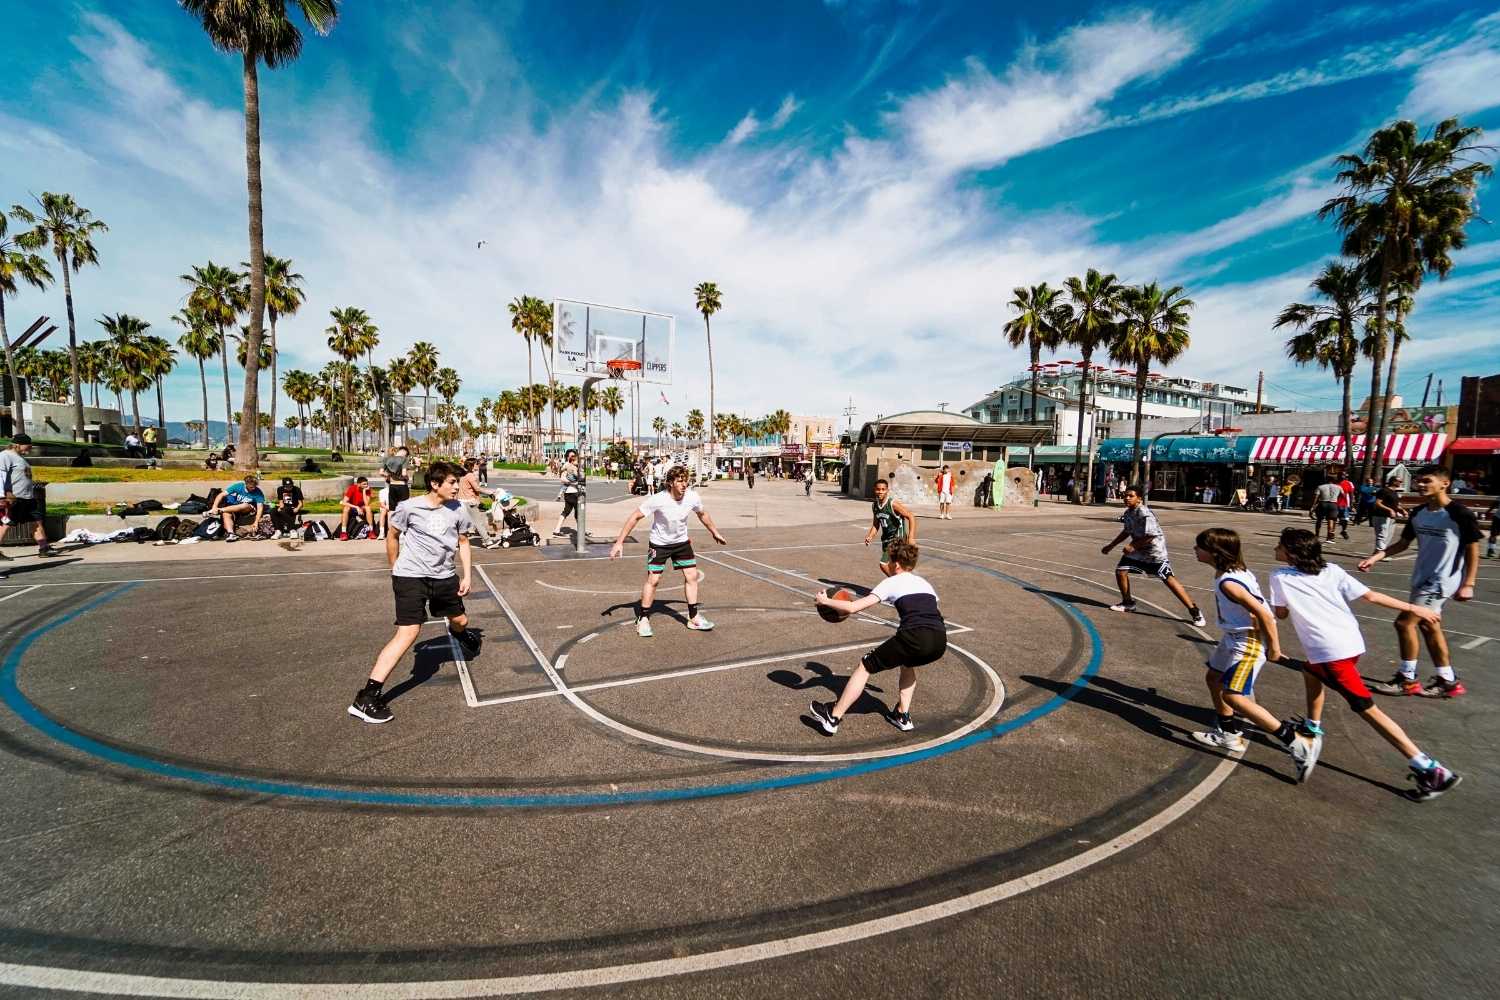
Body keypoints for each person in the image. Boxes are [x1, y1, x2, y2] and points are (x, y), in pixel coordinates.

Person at [1269, 527, 1460, 800]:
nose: (1275, 549)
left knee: (1369, 710)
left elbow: (1281, 614)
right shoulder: (1332, 570)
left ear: (1290, 553)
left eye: (1279, 545)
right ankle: (1312, 726)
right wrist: (1415, 608)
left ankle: (1430, 769)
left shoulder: (1279, 577)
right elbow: (1371, 596)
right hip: (1351, 644)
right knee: (1311, 671)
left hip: (1329, 653)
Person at [347, 461, 480, 725]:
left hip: (444, 577)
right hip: (411, 576)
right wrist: (394, 567)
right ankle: (367, 696)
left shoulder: (459, 509)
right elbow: (393, 535)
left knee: (460, 621)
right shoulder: (409, 507)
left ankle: (462, 634)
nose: (457, 487)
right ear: (435, 484)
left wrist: (467, 574)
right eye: (452, 483)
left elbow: (463, 542)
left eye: (457, 482)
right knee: (409, 631)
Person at [1187, 528, 1323, 781]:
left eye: (1199, 546)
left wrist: (1274, 648)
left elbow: (1265, 614)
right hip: (1232, 637)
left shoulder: (1229, 582)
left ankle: (1296, 742)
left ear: (1215, 553)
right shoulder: (1231, 572)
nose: (1195, 550)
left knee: (1234, 696)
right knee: (1213, 678)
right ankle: (1228, 734)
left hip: (1246, 642)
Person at [1358, 464, 1481, 699]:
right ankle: (1448, 680)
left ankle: (1407, 679)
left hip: (1441, 581)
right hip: (1422, 578)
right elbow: (1403, 543)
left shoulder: (1459, 514)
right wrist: (1376, 556)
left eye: (1427, 481)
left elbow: (1472, 548)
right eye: (1419, 481)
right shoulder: (1419, 513)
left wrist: (1469, 583)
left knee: (1404, 623)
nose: (1421, 485)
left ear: (1444, 483)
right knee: (1428, 625)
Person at [809, 539, 945, 735]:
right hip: (940, 641)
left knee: (865, 666)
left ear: (896, 564)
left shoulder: (891, 582)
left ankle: (833, 716)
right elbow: (932, 611)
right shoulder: (925, 583)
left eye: (889, 561)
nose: (888, 564)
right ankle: (902, 715)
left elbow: (854, 607)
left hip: (915, 636)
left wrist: (826, 600)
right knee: (907, 664)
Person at [609, 464, 727, 636]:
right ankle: (642, 618)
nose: (684, 484)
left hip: (681, 542)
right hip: (659, 544)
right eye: (680, 481)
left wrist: (714, 532)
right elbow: (635, 516)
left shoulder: (692, 497)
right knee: (654, 580)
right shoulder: (658, 499)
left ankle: (693, 618)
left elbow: (702, 514)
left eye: (686, 481)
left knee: (691, 576)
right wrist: (619, 542)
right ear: (670, 482)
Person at [1101, 484, 1205, 626]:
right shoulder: (1128, 513)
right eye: (1125, 495)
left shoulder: (1145, 513)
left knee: (1169, 580)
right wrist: (1111, 545)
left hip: (1154, 552)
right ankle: (1128, 603)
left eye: (1131, 496)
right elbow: (1126, 531)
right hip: (1138, 551)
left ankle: (1194, 611)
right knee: (1121, 571)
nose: (1127, 498)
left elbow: (1150, 535)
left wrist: (1132, 546)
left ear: (1139, 499)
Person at [0, 434, 56, 560]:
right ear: (17, 444)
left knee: (36, 522)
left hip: (28, 498)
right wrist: (4, 495)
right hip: (14, 498)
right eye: (28, 446)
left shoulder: (20, 457)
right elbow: (0, 475)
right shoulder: (5, 456)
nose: (30, 449)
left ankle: (44, 548)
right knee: (6, 523)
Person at [865, 478, 917, 576]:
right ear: (874, 490)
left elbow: (910, 516)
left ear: (887, 490)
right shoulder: (875, 506)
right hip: (886, 539)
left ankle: (896, 585)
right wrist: (870, 536)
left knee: (883, 564)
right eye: (878, 489)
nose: (880, 492)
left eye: (883, 489)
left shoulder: (892, 504)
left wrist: (911, 537)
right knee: (893, 565)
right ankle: (901, 584)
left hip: (897, 538)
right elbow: (876, 524)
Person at [208, 473, 266, 543]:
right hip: (233, 508)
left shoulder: (258, 492)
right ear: (246, 484)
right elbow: (221, 495)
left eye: (254, 486)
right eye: (251, 487)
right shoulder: (238, 486)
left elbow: (260, 508)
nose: (253, 488)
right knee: (226, 513)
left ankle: (220, 510)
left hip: (248, 509)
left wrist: (256, 522)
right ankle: (231, 534)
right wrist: (214, 507)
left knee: (245, 505)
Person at [457, 457, 499, 548]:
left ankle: (457, 541)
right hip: (470, 502)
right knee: (478, 522)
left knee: (461, 523)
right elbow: (477, 488)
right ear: (472, 466)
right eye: (476, 464)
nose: (478, 465)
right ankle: (488, 542)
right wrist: (490, 492)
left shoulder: (462, 475)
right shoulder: (470, 475)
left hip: (461, 501)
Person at [1368, 474, 1405, 554]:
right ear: (1393, 481)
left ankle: (1378, 551)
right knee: (1382, 535)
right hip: (1380, 516)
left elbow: (1395, 505)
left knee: (1388, 535)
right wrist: (1390, 510)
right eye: (1400, 481)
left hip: (1391, 517)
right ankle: (1380, 553)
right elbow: (1377, 503)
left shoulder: (1394, 492)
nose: (1401, 483)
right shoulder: (1384, 491)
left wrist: (1402, 510)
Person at [551, 449, 583, 537]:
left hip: (572, 492)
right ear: (568, 457)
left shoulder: (575, 466)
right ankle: (581, 531)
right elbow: (562, 479)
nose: (572, 457)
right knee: (578, 511)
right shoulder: (567, 466)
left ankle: (557, 529)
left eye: (574, 456)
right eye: (571, 456)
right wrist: (573, 483)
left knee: (567, 511)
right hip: (572, 492)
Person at [382, 446, 412, 512]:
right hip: (402, 486)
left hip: (392, 486)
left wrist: (389, 475)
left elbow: (381, 473)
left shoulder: (386, 459)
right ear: (405, 452)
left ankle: (391, 522)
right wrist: (407, 477)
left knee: (392, 509)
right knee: (404, 509)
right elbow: (404, 474)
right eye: (406, 455)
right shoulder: (404, 459)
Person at [1312, 477, 1342, 541]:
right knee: (1331, 520)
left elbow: (1316, 497)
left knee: (1319, 519)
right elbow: (1342, 495)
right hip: (1333, 504)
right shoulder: (1339, 487)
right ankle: (1329, 536)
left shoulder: (1320, 486)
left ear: (1326, 480)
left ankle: (1317, 535)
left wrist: (1313, 506)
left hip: (1323, 503)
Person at [1335, 470, 1355, 540]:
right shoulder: (1335, 483)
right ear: (1338, 476)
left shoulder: (1348, 483)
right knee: (1333, 518)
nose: (1342, 476)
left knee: (1345, 519)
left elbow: (1351, 494)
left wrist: (1352, 503)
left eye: (1344, 475)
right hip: (1334, 503)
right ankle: (1331, 533)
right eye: (1341, 475)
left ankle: (1344, 531)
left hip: (1344, 504)